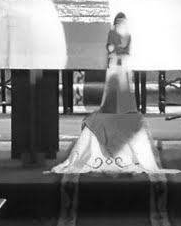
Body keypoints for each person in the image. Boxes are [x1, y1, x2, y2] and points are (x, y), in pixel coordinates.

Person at [53, 13, 162, 173]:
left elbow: (126, 48)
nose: (121, 24)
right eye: (119, 22)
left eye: (123, 22)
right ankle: (111, 106)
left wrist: (120, 53)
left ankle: (125, 107)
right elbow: (110, 46)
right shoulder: (112, 33)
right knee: (112, 88)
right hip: (114, 63)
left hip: (123, 64)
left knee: (124, 88)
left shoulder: (128, 35)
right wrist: (114, 51)